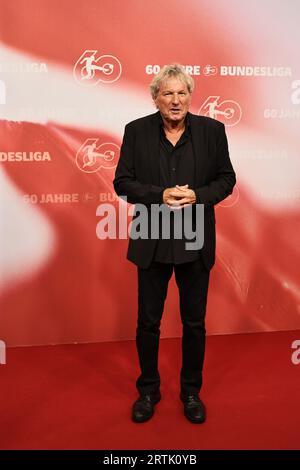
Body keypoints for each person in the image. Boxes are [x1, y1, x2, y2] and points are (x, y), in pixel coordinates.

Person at [113, 64, 236, 424]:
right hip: (151, 236)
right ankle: (148, 390)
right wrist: (157, 194)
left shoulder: (213, 131)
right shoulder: (135, 131)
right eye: (167, 93)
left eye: (181, 92)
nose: (175, 100)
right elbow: (122, 182)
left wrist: (197, 196)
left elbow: (226, 179)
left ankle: (191, 392)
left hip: (195, 237)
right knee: (148, 322)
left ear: (190, 96)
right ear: (156, 97)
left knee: (194, 322)